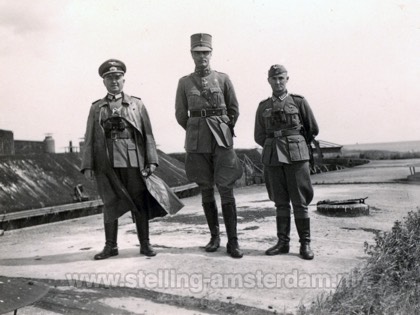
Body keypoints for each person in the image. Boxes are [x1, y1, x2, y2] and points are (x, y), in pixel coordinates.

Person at [81, 59, 183, 260]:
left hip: (132, 160)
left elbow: (148, 135)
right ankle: (111, 246)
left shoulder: (137, 104)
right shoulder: (97, 108)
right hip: (107, 162)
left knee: (139, 201)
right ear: (104, 82)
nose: (114, 81)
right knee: (110, 202)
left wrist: (151, 161)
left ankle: (145, 244)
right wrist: (88, 165)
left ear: (123, 80)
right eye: (109, 78)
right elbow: (90, 138)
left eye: (117, 77)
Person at [175, 33, 244, 258]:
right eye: (197, 53)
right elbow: (180, 114)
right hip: (197, 142)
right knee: (206, 188)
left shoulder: (222, 79)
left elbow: (233, 109)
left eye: (205, 52)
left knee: (225, 188)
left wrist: (222, 127)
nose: (202, 56)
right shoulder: (184, 82)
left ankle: (233, 242)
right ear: (191, 54)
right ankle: (214, 237)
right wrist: (196, 130)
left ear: (211, 54)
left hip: (221, 140)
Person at [254, 64, 319, 260]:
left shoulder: (298, 102)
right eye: (274, 79)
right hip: (273, 157)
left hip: (296, 156)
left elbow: (312, 129)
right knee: (280, 202)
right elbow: (259, 136)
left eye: (281, 78)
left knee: (300, 202)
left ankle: (305, 244)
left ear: (287, 79)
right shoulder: (263, 106)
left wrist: (296, 142)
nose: (278, 82)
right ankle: (282, 243)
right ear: (269, 81)